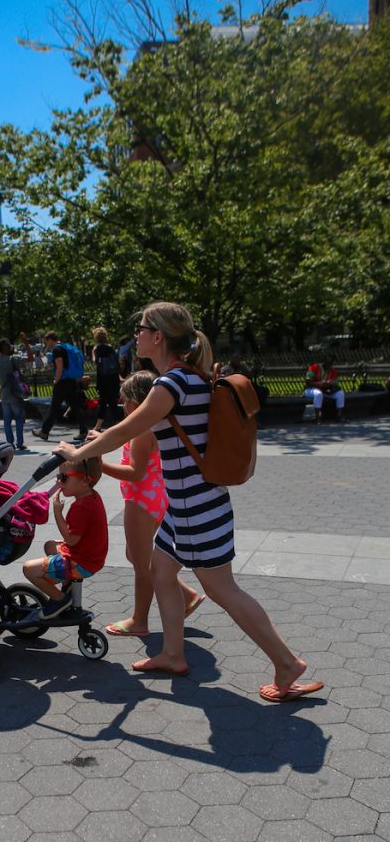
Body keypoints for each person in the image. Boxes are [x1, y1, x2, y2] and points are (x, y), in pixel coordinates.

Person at [56, 301, 323, 703]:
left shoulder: (172, 385)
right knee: (160, 570)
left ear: (159, 336)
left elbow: (129, 427)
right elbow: (133, 431)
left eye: (142, 329)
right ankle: (173, 654)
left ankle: (287, 663)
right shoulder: (190, 378)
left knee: (221, 588)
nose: (137, 335)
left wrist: (77, 453)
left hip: (197, 508)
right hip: (188, 507)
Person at [95, 370, 205, 637]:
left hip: (141, 499)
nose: (122, 405)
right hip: (157, 497)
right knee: (137, 556)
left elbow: (135, 472)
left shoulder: (142, 432)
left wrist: (99, 464)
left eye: (125, 400)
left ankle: (139, 621)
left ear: (136, 401)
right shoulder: (158, 423)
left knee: (141, 565)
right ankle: (187, 596)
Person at [22, 457, 107, 619]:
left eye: (64, 477)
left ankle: (61, 599)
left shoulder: (81, 507)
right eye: (58, 476)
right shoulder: (92, 497)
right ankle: (67, 584)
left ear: (84, 481)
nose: (59, 481)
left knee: (29, 569)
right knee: (49, 545)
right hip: (90, 556)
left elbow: (70, 540)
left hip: (82, 563)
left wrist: (57, 512)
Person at [32, 332, 88, 442]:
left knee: (54, 408)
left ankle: (44, 432)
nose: (46, 344)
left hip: (62, 382)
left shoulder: (57, 349)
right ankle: (83, 430)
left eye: (46, 341)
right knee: (75, 407)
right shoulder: (66, 347)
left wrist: (56, 380)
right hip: (71, 381)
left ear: (50, 340)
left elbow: (59, 365)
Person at [0, 332, 33, 450]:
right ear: (4, 348)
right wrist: (25, 342)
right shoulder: (13, 360)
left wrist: (1, 395)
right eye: (8, 345)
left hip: (4, 396)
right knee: (19, 419)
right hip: (15, 394)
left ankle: (10, 443)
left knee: (7, 421)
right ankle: (20, 443)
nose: (10, 347)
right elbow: (30, 358)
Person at [92, 327, 121, 431]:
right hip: (113, 378)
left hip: (103, 379)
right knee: (113, 402)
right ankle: (118, 424)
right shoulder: (110, 348)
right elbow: (117, 363)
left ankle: (97, 427)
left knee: (103, 402)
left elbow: (95, 363)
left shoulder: (96, 348)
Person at [304, 353, 345, 424]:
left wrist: (330, 383)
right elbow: (308, 382)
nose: (330, 364)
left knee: (340, 393)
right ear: (324, 361)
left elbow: (335, 381)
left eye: (332, 362)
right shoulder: (313, 367)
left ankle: (339, 416)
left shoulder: (332, 370)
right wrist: (320, 384)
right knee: (318, 394)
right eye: (329, 362)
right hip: (310, 389)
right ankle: (318, 418)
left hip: (325, 390)